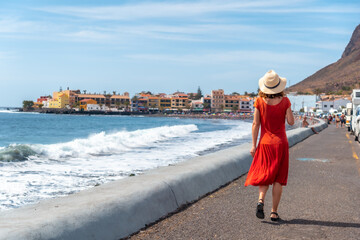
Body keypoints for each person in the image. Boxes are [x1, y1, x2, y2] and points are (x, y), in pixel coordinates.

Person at [245, 70, 294, 222]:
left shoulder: (259, 101)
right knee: (278, 179)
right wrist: (287, 110)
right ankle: (274, 212)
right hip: (280, 144)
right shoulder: (285, 101)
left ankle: (261, 200)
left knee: (265, 174)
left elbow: (255, 124)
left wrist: (253, 145)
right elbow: (291, 122)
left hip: (265, 143)